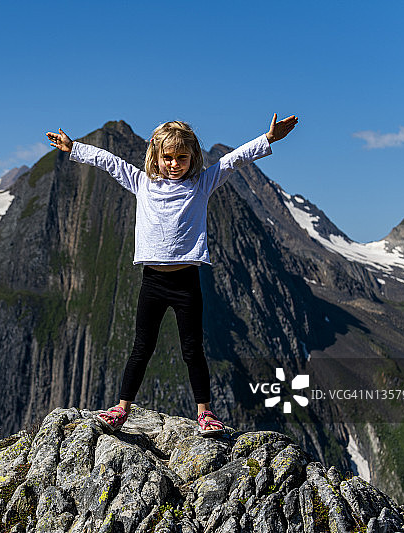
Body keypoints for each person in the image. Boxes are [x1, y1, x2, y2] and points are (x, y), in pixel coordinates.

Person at [46, 114, 298, 435]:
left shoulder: (201, 184)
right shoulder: (142, 182)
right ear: (156, 155)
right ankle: (122, 408)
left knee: (192, 349)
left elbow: (233, 161)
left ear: (193, 157)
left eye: (182, 157)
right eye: (168, 157)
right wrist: (74, 148)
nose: (175, 164)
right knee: (142, 347)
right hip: (152, 282)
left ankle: (204, 413)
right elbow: (109, 162)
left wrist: (268, 139)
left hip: (186, 282)